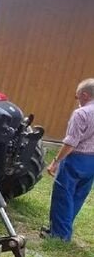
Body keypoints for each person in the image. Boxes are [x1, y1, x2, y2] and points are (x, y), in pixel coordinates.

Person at [42, 78, 94, 241]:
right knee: (77, 196)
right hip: (92, 162)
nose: (77, 100)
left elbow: (71, 142)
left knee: (63, 196)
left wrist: (56, 161)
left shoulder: (81, 113)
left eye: (77, 96)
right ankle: (61, 227)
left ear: (84, 95)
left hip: (76, 159)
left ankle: (59, 236)